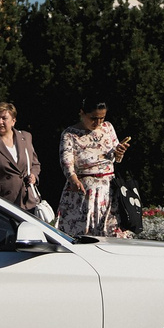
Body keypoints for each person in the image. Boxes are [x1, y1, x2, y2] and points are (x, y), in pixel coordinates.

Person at [57, 101, 130, 237]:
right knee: (82, 234)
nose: (98, 122)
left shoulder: (108, 128)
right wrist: (73, 179)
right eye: (93, 118)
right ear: (82, 113)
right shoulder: (70, 134)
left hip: (108, 189)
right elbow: (66, 161)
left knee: (112, 233)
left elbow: (115, 158)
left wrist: (119, 153)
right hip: (84, 191)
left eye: (102, 118)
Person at [0, 102, 47, 217]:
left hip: (27, 202)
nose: (0, 122)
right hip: (2, 204)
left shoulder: (26, 137)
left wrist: (34, 176)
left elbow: (35, 164)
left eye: (4, 118)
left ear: (13, 120)